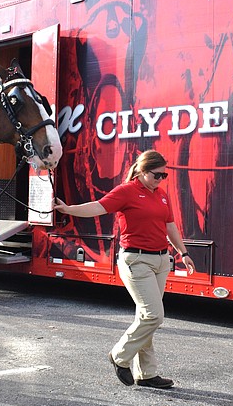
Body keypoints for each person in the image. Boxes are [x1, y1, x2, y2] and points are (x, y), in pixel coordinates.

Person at [54, 150, 195, 389]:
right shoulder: (126, 191)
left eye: (164, 175)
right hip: (136, 260)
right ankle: (119, 355)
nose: (161, 179)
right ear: (141, 171)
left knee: (145, 317)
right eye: (157, 174)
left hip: (161, 261)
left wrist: (184, 252)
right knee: (153, 316)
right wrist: (69, 209)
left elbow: (170, 225)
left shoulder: (160, 194)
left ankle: (147, 374)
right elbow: (97, 207)